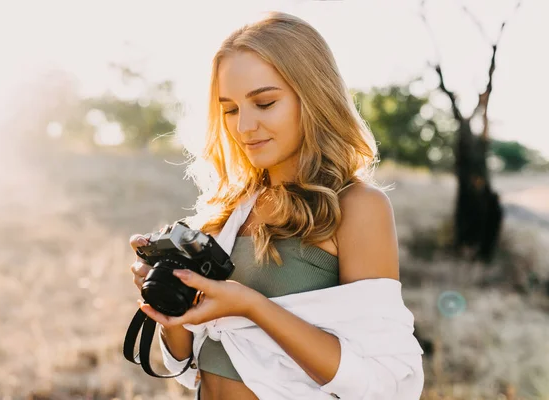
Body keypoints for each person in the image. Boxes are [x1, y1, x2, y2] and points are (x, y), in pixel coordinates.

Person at [129, 11, 424, 400]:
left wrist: (252, 306)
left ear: (314, 96)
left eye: (264, 103)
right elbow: (187, 364)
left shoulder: (357, 207)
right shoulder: (229, 210)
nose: (243, 127)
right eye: (230, 110)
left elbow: (381, 383)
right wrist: (169, 295)